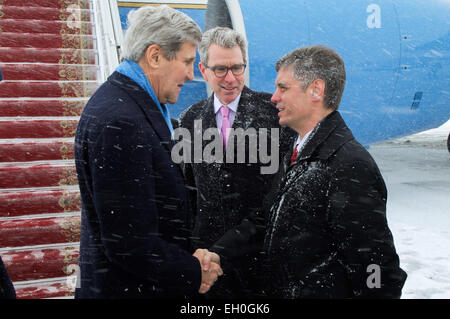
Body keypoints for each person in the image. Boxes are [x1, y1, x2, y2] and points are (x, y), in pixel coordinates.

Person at [207, 45, 407, 298]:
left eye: (283, 87)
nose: (274, 97)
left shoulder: (348, 164)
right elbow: (268, 219)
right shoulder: (300, 151)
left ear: (316, 90)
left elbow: (375, 267)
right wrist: (219, 252)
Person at [74, 5, 222, 299]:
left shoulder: (124, 104)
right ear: (155, 56)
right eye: (187, 61)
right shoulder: (121, 121)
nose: (192, 75)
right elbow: (129, 244)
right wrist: (194, 271)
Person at [178, 27, 295, 298]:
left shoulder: (275, 114)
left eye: (237, 68)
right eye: (220, 69)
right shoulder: (189, 120)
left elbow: (283, 195)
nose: (230, 78)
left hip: (260, 264)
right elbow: (187, 194)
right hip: (208, 269)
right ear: (203, 69)